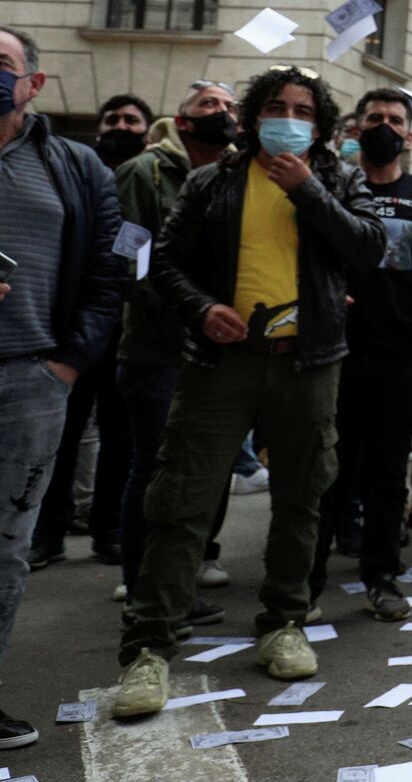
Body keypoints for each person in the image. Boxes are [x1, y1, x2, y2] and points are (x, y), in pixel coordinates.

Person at [112, 65, 385, 718]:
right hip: (221, 363)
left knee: (301, 497)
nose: (286, 116)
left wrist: (311, 191)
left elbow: (372, 247)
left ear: (317, 125)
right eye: (274, 106)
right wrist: (202, 308)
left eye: (300, 109)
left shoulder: (339, 178)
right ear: (253, 116)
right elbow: (163, 260)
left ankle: (283, 623)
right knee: (180, 500)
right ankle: (149, 649)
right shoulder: (211, 182)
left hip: (309, 362)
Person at [0, 26, 126, 750]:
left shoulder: (75, 167)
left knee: (5, 550)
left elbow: (109, 274)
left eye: (2, 64)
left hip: (30, 380)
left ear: (33, 84)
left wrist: (69, 364)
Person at [308, 89, 412, 621]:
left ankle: (382, 576)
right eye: (375, 118)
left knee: (389, 472)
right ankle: (306, 578)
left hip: (397, 349)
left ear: (409, 133)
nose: (386, 126)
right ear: (355, 127)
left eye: (396, 120)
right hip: (333, 346)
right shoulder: (333, 189)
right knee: (329, 467)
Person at [112, 81, 240, 617]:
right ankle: (145, 583)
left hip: (214, 347)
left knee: (203, 464)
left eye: (229, 106)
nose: (223, 113)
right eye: (209, 105)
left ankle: (184, 569)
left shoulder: (231, 176)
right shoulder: (145, 173)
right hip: (157, 345)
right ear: (182, 122)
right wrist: (188, 310)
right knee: (156, 464)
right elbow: (130, 259)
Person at [29, 93, 152, 570]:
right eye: (112, 118)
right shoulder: (74, 172)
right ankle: (48, 530)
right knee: (64, 432)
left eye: (131, 119)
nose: (120, 125)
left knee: (122, 437)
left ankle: (110, 529)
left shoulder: (151, 178)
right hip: (77, 326)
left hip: (128, 328)